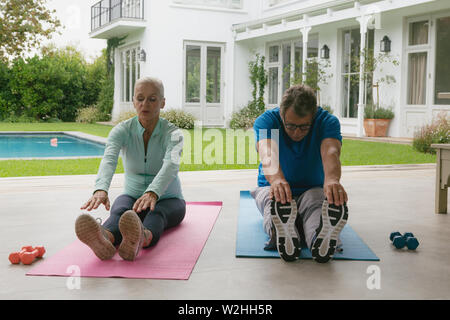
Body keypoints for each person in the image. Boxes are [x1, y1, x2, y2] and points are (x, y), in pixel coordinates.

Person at [76, 76, 185, 261]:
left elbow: (171, 165)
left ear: (162, 102)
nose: (145, 104)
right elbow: (109, 159)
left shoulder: (173, 133)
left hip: (168, 199)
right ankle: (105, 239)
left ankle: (141, 238)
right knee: (120, 211)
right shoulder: (121, 130)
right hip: (132, 196)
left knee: (156, 213)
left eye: (152, 99)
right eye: (140, 98)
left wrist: (153, 192)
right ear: (134, 101)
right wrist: (101, 189)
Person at [251, 84, 349, 263]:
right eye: (290, 126)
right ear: (281, 113)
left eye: (304, 127)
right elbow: (267, 152)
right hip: (272, 187)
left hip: (312, 188)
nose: (297, 132)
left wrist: (332, 180)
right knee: (271, 203)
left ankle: (319, 242)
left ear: (313, 115)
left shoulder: (327, 122)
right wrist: (277, 180)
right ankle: (281, 232)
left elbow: (331, 152)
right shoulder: (267, 121)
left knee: (316, 205)